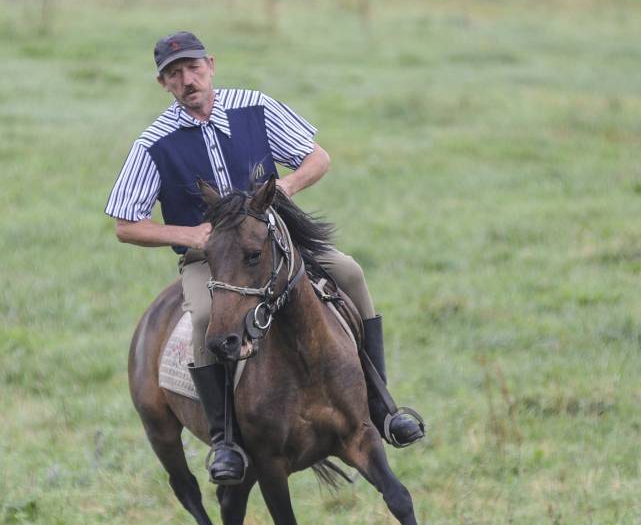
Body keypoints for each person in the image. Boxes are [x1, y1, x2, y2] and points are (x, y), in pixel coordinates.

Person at [106, 31, 424, 484]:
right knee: (201, 320)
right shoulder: (154, 144)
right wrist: (189, 233)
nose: (187, 79)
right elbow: (125, 224)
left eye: (194, 68)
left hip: (277, 241)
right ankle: (224, 442)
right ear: (164, 85)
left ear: (210, 65)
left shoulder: (255, 106)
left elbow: (317, 158)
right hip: (213, 262)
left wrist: (285, 190)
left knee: (349, 272)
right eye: (175, 74)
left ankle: (382, 406)